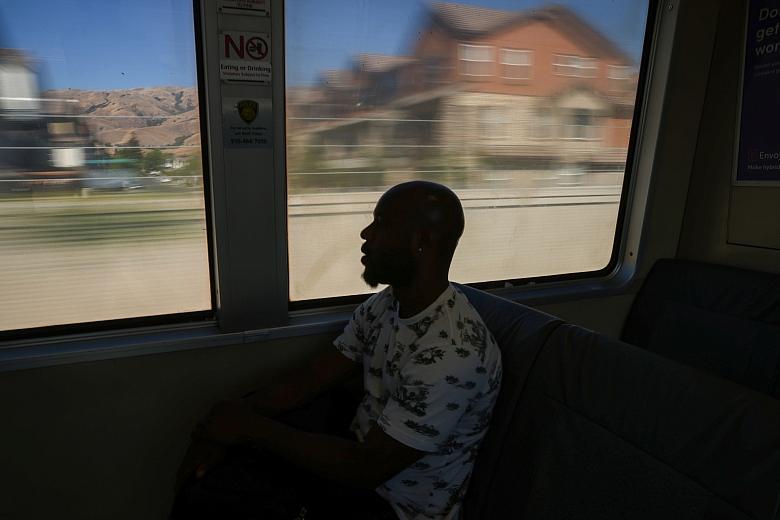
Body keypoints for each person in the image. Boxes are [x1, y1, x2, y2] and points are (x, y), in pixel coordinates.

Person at [172, 181, 502, 519]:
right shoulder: (386, 306)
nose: (366, 234)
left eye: (382, 224)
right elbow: (310, 379)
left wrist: (248, 428)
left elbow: (367, 467)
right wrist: (225, 424)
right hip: (354, 457)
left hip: (394, 505)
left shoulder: (454, 352)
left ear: (421, 243)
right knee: (222, 478)